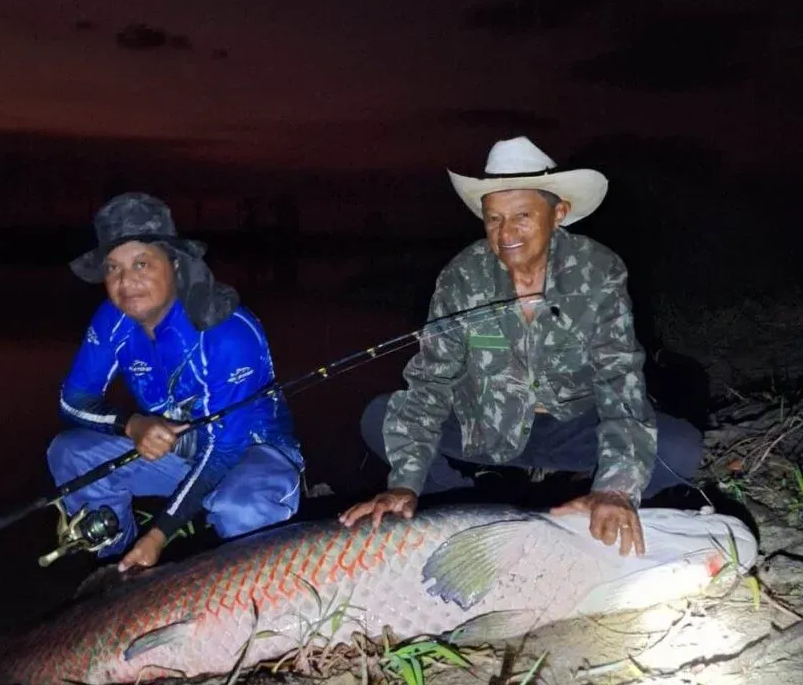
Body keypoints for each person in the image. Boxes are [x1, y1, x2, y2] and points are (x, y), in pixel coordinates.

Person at [340, 137, 703, 557]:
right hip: (484, 428)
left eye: (522, 216)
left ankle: (587, 509)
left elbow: (619, 381)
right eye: (493, 219)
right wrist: (404, 484)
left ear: (558, 213)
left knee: (680, 449)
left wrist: (615, 487)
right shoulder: (462, 277)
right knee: (380, 416)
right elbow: (430, 383)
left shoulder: (599, 270)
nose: (506, 233)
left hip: (574, 426)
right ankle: (470, 508)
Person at [47, 192, 304, 573]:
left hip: (251, 454)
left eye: (140, 264)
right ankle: (118, 569)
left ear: (175, 264)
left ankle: (259, 588)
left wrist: (159, 534)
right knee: (70, 453)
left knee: (240, 509)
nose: (125, 281)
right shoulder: (112, 321)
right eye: (113, 268)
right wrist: (132, 424)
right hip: (178, 454)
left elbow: (224, 450)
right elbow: (73, 401)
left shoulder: (229, 332)